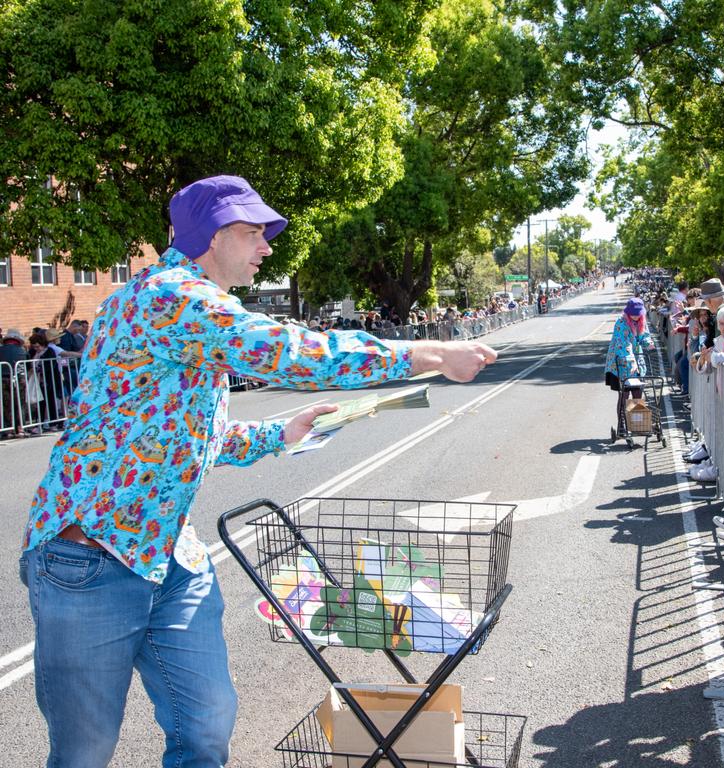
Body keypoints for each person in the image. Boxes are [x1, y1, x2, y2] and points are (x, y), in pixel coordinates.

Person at [18, 175, 497, 768]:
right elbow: (288, 352)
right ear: (212, 237)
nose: (266, 246)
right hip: (90, 558)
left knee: (206, 726)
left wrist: (280, 433)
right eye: (252, 233)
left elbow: (187, 437)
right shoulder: (171, 297)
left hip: (168, 556)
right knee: (85, 751)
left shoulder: (191, 305)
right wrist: (429, 355)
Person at [605, 297, 654, 437]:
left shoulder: (641, 321)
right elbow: (623, 345)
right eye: (633, 313)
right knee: (624, 394)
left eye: (638, 313)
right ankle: (622, 426)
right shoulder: (621, 323)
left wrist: (648, 343)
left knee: (637, 393)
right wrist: (631, 361)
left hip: (636, 363)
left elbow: (644, 337)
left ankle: (638, 425)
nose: (636, 316)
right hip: (620, 363)